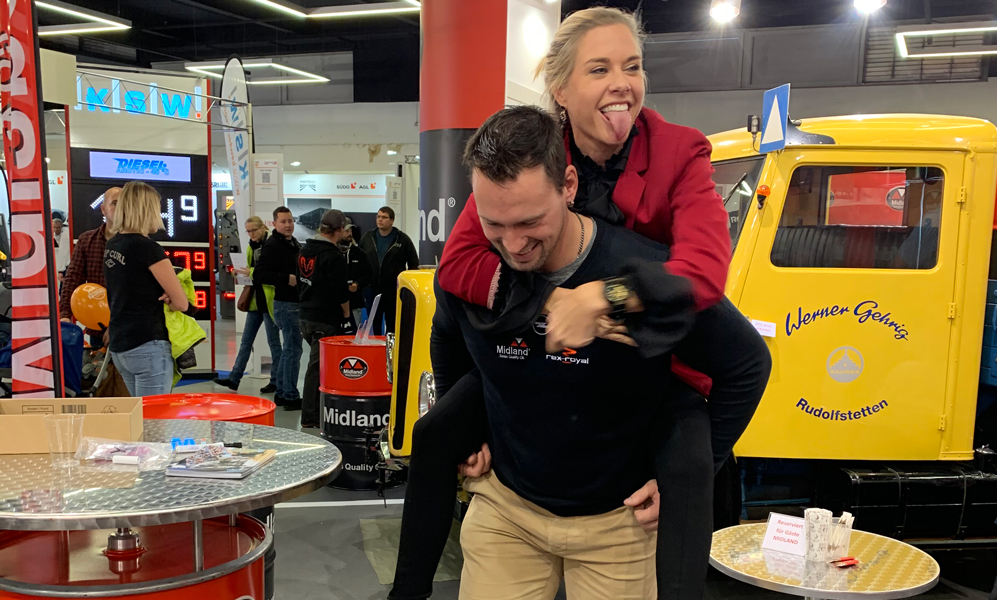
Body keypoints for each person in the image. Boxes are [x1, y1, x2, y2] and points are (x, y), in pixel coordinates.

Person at [391, 10, 771, 600]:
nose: (621, 83)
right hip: (516, 492)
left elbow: (701, 277)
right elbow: (456, 276)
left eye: (632, 66)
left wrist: (606, 296)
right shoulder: (526, 156)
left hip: (655, 346)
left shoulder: (676, 153)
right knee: (439, 430)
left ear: (567, 188)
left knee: (687, 467)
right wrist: (539, 303)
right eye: (599, 69)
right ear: (560, 91)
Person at [427, 107, 709, 599]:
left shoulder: (640, 267)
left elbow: (746, 366)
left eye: (530, 221)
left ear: (569, 186)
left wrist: (683, 479)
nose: (513, 244)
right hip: (505, 510)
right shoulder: (470, 266)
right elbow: (446, 333)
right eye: (493, 223)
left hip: (619, 523)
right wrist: (465, 432)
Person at [104, 181, 195, 396]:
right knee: (154, 414)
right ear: (147, 210)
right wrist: (170, 298)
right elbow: (182, 303)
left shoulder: (113, 245)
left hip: (121, 344)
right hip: (147, 343)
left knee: (140, 412)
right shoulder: (148, 248)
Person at [297, 209, 355, 428]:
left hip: (305, 316)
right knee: (318, 368)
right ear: (339, 229)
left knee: (316, 366)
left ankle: (315, 411)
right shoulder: (333, 256)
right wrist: (347, 314)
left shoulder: (304, 250)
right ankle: (310, 415)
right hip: (324, 318)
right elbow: (340, 292)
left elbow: (300, 281)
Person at [213, 216, 283, 397]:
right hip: (256, 300)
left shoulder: (270, 246)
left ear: (262, 228)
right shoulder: (252, 247)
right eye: (248, 231)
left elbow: (266, 273)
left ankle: (276, 381)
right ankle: (235, 378)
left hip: (268, 300)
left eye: (254, 230)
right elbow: (253, 271)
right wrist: (241, 274)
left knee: (274, 343)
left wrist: (249, 272)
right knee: (246, 341)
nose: (251, 234)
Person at [253, 207, 303, 409]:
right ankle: (290, 395)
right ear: (274, 223)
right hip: (286, 304)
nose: (288, 225)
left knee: (289, 350)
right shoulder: (273, 245)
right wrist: (285, 278)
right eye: (283, 221)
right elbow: (259, 274)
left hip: (291, 302)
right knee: (292, 350)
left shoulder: (292, 243)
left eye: (290, 221)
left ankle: (282, 392)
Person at [60, 187, 121, 349]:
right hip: (98, 330)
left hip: (129, 331)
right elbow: (73, 278)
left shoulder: (138, 243)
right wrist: (65, 315)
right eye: (115, 203)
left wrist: (118, 326)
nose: (121, 208)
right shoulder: (87, 241)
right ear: (103, 209)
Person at [358, 206, 419, 335]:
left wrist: (405, 284)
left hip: (393, 290)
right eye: (378, 217)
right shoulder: (368, 237)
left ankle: (391, 346)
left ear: (392, 221)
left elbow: (413, 263)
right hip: (371, 289)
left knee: (392, 324)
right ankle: (375, 346)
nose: (380, 220)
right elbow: (359, 260)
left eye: (384, 217)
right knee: (373, 323)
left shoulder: (402, 239)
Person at [340, 221, 372, 327]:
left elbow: (368, 275)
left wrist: (357, 284)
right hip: (335, 305)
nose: (349, 233)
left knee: (353, 333)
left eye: (350, 230)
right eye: (346, 231)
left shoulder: (359, 253)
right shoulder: (332, 252)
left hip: (355, 303)